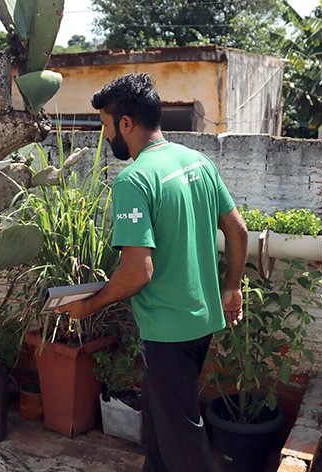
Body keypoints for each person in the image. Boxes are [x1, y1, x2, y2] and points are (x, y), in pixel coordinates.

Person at [54, 73, 248, 472]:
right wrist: (231, 289)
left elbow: (138, 273)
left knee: (183, 441)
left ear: (126, 123)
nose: (105, 137)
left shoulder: (134, 179)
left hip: (168, 332)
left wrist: (89, 306)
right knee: (160, 431)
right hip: (201, 320)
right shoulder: (197, 162)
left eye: (106, 126)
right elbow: (238, 230)